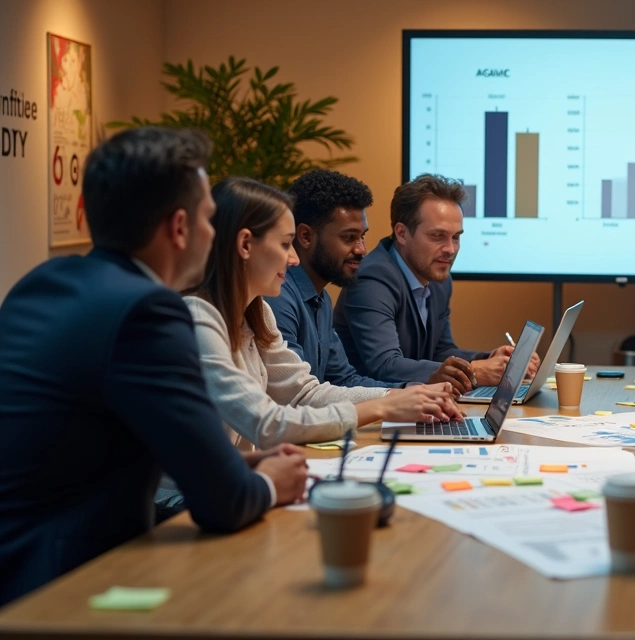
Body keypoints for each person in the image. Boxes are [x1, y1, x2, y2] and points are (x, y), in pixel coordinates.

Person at [0, 127, 307, 606]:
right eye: (210, 218)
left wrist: (232, 464)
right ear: (180, 228)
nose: (216, 233)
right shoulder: (149, 311)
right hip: (65, 587)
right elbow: (223, 505)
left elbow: (89, 445)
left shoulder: (41, 282)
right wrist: (271, 484)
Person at [185, 177, 462, 450]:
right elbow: (266, 424)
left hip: (234, 478)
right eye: (284, 244)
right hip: (187, 495)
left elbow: (304, 393)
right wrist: (384, 406)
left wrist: (398, 396)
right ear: (245, 245)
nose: (293, 259)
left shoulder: (259, 312)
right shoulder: (199, 320)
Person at [334, 174, 537, 392]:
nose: (450, 249)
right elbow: (385, 365)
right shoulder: (372, 279)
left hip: (419, 403)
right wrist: (474, 371)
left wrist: (491, 358)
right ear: (402, 233)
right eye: (438, 236)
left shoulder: (439, 279)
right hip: (371, 411)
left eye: (456, 237)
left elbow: (441, 351)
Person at [264, 169, 400, 389]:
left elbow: (344, 380)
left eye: (362, 236)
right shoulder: (277, 296)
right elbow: (299, 393)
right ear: (306, 236)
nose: (362, 249)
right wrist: (399, 399)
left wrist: (412, 392)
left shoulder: (321, 299)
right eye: (349, 238)